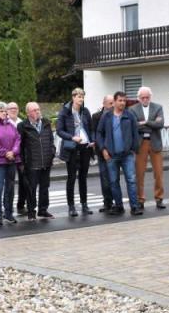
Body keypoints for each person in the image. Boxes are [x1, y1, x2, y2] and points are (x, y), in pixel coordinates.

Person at [97, 92, 141, 216]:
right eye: (120, 100)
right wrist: (103, 150)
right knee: (113, 181)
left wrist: (134, 150)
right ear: (115, 102)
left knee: (131, 180)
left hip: (127, 154)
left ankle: (134, 207)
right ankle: (119, 206)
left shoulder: (129, 115)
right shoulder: (106, 116)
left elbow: (135, 133)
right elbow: (99, 133)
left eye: (124, 100)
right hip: (111, 155)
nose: (122, 103)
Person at [56, 88, 95, 217]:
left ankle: (84, 204)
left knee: (83, 177)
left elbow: (91, 128)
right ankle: (71, 206)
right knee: (71, 177)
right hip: (72, 148)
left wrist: (92, 140)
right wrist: (72, 137)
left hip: (85, 147)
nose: (81, 99)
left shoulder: (86, 111)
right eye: (79, 96)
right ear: (73, 97)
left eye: (82, 97)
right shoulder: (65, 112)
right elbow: (59, 131)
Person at [18, 102, 56, 221]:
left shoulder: (46, 123)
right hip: (32, 163)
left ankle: (43, 210)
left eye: (38, 109)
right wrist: (22, 163)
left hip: (46, 161)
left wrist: (52, 153)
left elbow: (51, 140)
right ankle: (31, 212)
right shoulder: (22, 126)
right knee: (31, 189)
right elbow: (20, 146)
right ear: (28, 113)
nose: (37, 112)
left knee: (44, 187)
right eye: (34, 110)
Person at [130, 87, 166, 210]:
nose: (145, 99)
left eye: (147, 97)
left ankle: (159, 198)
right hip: (141, 143)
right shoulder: (132, 109)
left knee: (158, 173)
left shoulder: (158, 107)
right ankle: (140, 199)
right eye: (142, 97)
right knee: (139, 173)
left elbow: (160, 124)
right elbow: (134, 126)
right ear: (138, 98)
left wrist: (144, 122)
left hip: (155, 142)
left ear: (150, 97)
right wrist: (151, 123)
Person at [91, 95, 116, 212]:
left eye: (113, 103)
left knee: (114, 179)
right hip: (102, 152)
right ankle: (107, 202)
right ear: (104, 104)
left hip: (115, 152)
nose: (112, 105)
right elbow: (95, 133)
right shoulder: (96, 117)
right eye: (110, 103)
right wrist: (100, 149)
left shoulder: (116, 115)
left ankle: (117, 202)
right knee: (105, 179)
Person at [7, 102, 30, 215]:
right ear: (7, 110)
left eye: (15, 108)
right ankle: (8, 208)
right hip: (9, 156)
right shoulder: (5, 123)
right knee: (9, 183)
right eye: (11, 108)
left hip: (21, 156)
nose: (13, 110)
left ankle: (21, 205)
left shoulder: (22, 122)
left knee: (24, 182)